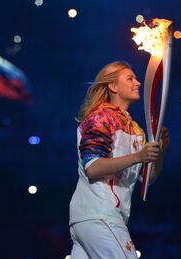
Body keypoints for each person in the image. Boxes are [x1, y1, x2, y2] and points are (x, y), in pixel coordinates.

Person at [69, 61, 170, 258]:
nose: (138, 82)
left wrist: (161, 150)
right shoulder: (100, 118)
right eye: (130, 78)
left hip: (102, 218)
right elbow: (93, 167)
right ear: (113, 86)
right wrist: (138, 156)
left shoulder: (136, 130)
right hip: (99, 214)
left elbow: (148, 179)